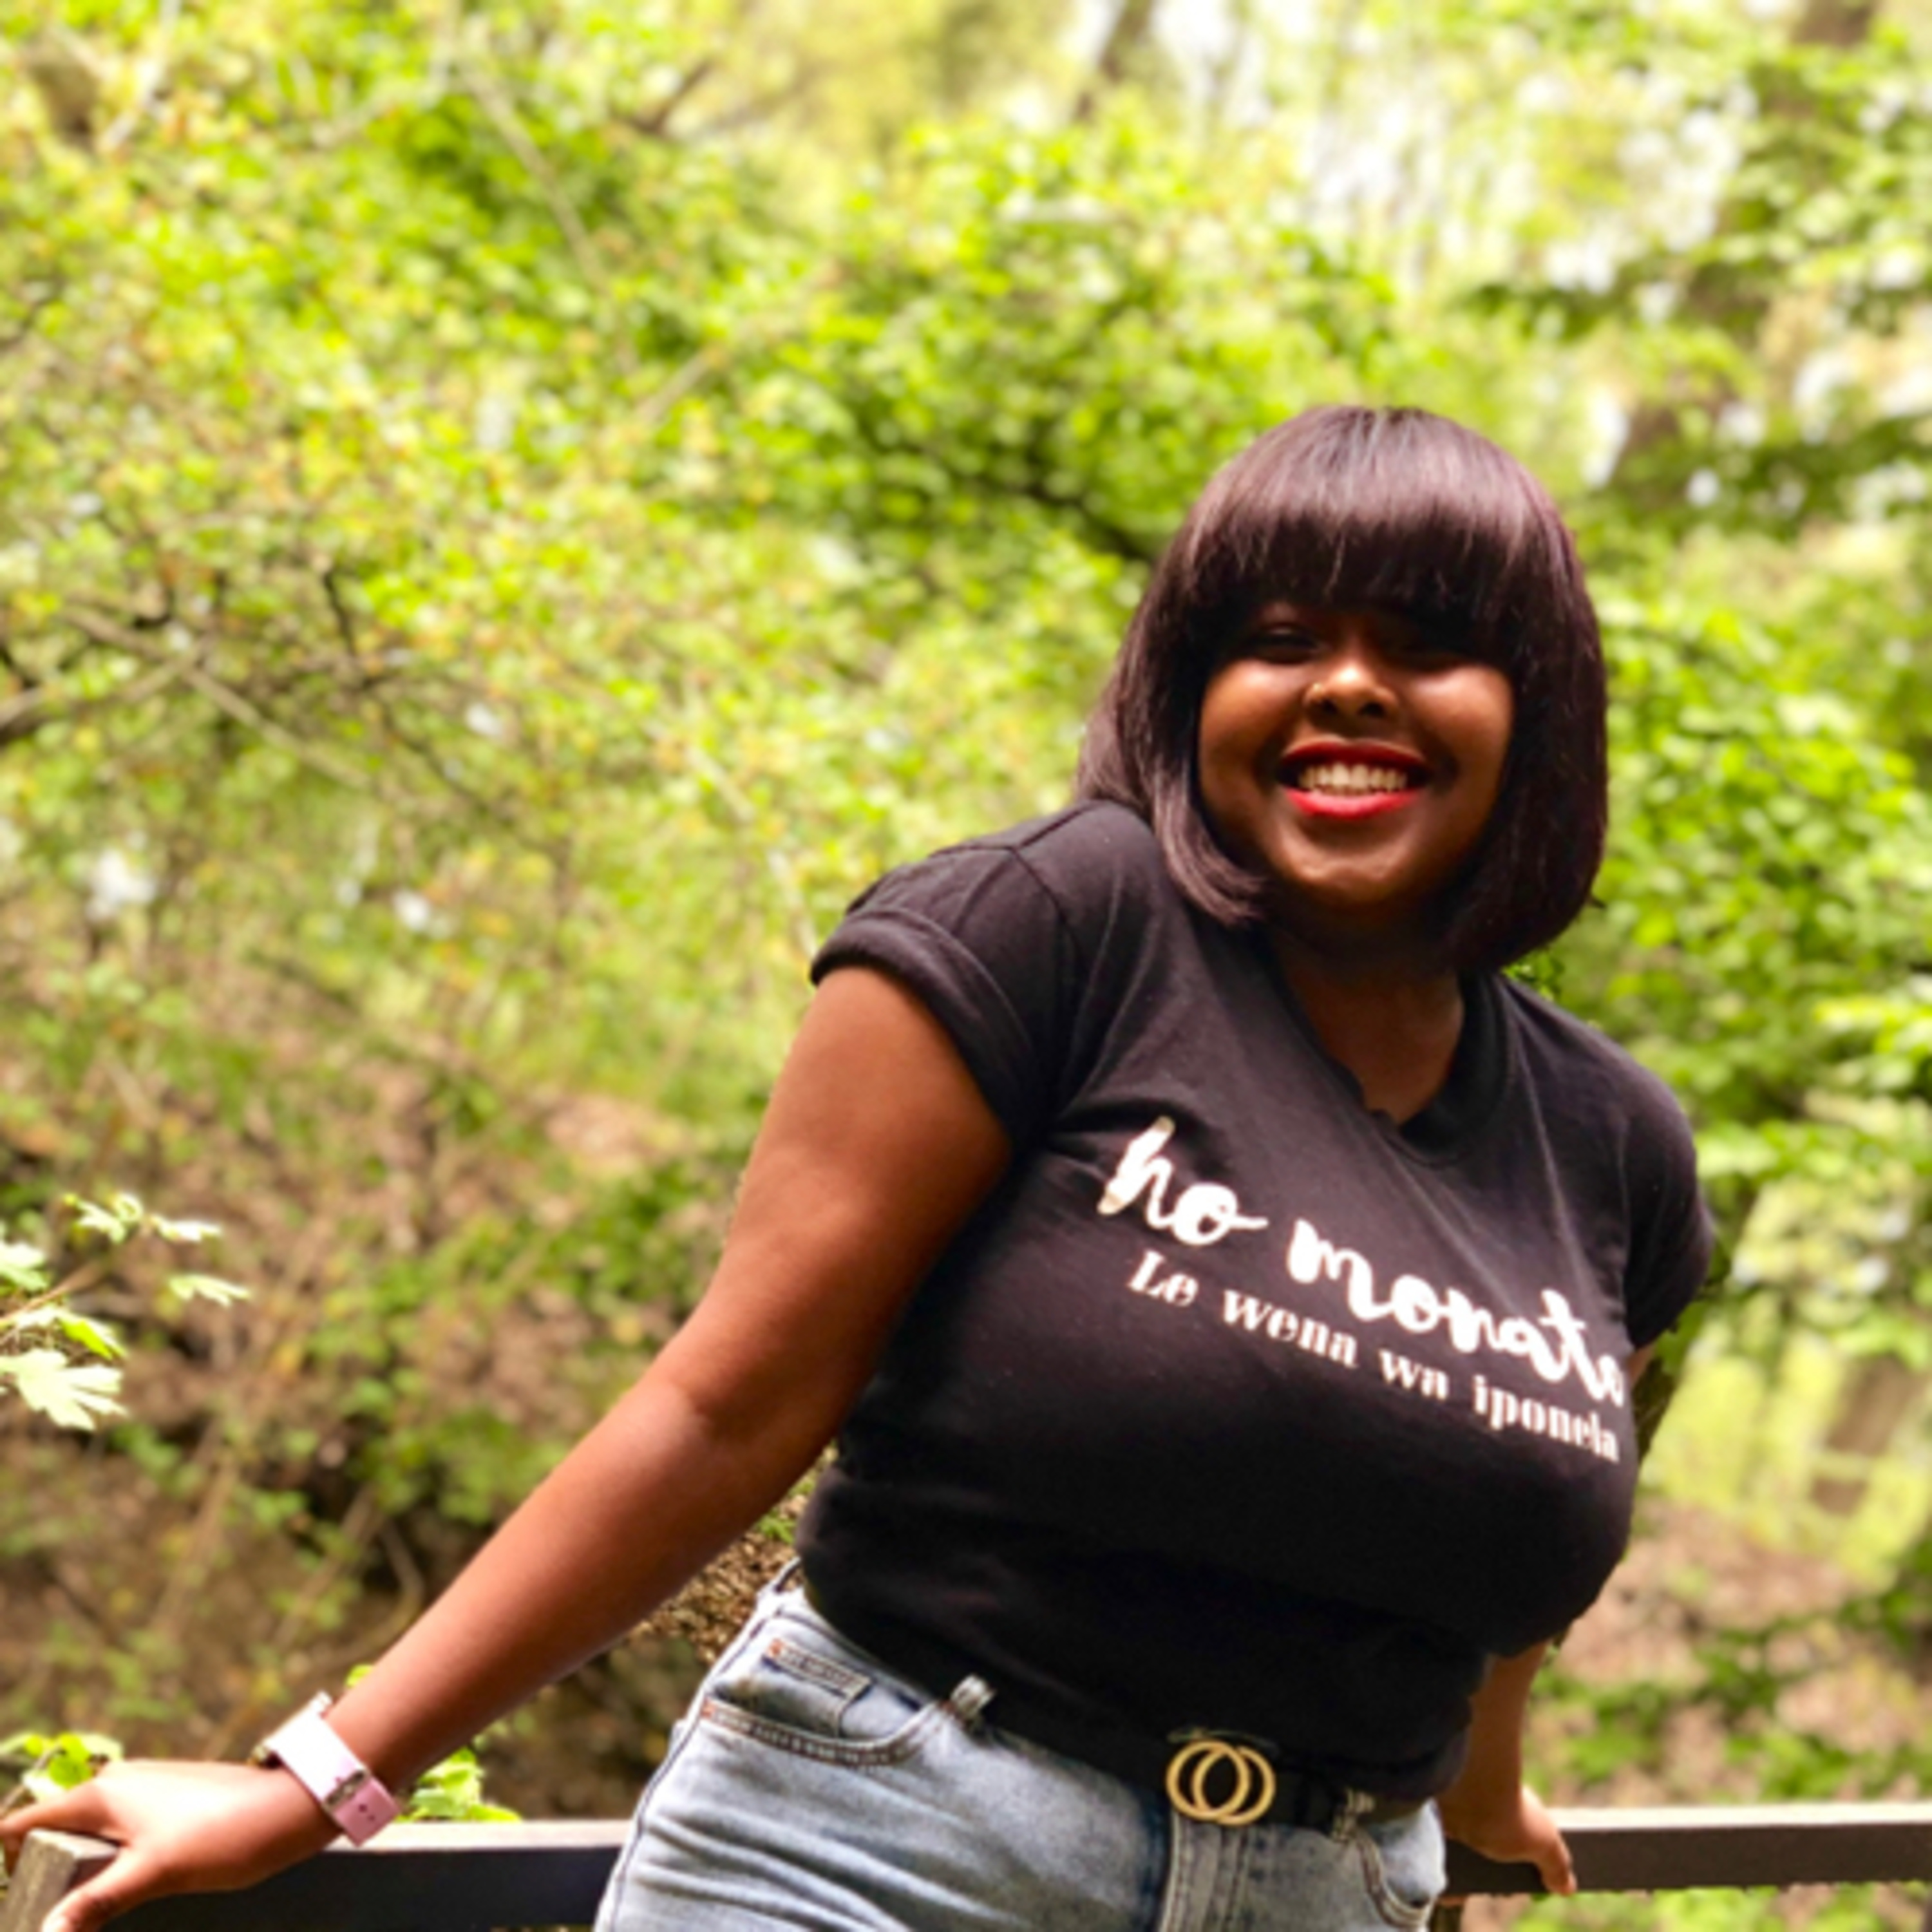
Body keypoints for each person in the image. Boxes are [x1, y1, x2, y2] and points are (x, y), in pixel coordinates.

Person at [1, 405, 1712, 1931]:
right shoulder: (1053, 929)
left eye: (1429, 645)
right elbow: (718, 1411)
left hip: (1328, 1895)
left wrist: (1482, 1793)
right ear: (1193, 690)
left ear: (1535, 717)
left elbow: (1507, 1533)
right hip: (880, 1841)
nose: (1347, 683)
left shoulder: (1612, 1145)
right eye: (1281, 639)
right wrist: (320, 1781)